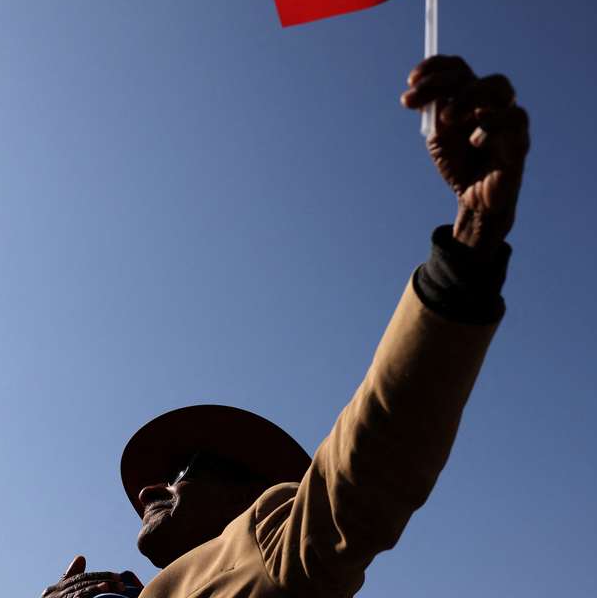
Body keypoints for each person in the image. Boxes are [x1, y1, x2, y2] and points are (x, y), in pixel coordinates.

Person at [41, 55, 531, 598]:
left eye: (186, 469)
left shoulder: (269, 553)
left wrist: (470, 244)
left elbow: (368, 467)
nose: (149, 490)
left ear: (258, 497)